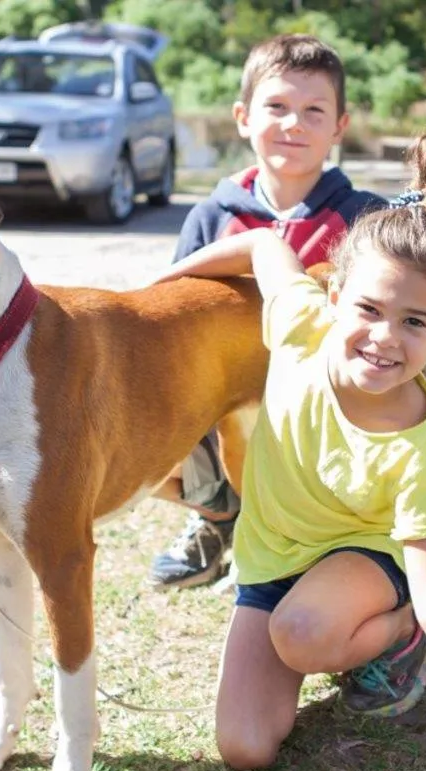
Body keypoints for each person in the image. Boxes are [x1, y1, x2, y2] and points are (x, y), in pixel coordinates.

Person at [148, 137, 426, 771]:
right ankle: (318, 628)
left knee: (303, 633)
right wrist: (156, 289)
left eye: (414, 322)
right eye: (369, 309)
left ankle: (392, 637)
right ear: (334, 294)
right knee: (245, 747)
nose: (383, 337)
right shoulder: (300, 326)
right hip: (273, 563)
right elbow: (260, 250)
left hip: (365, 562)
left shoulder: (415, 449)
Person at [148, 34, 387, 590]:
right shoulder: (211, 218)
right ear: (242, 117)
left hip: (325, 402)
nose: (293, 124)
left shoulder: (364, 219)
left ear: (340, 126)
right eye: (276, 107)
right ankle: (217, 518)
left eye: (313, 111)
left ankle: (324, 542)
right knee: (144, 423)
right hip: (221, 398)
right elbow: (174, 322)